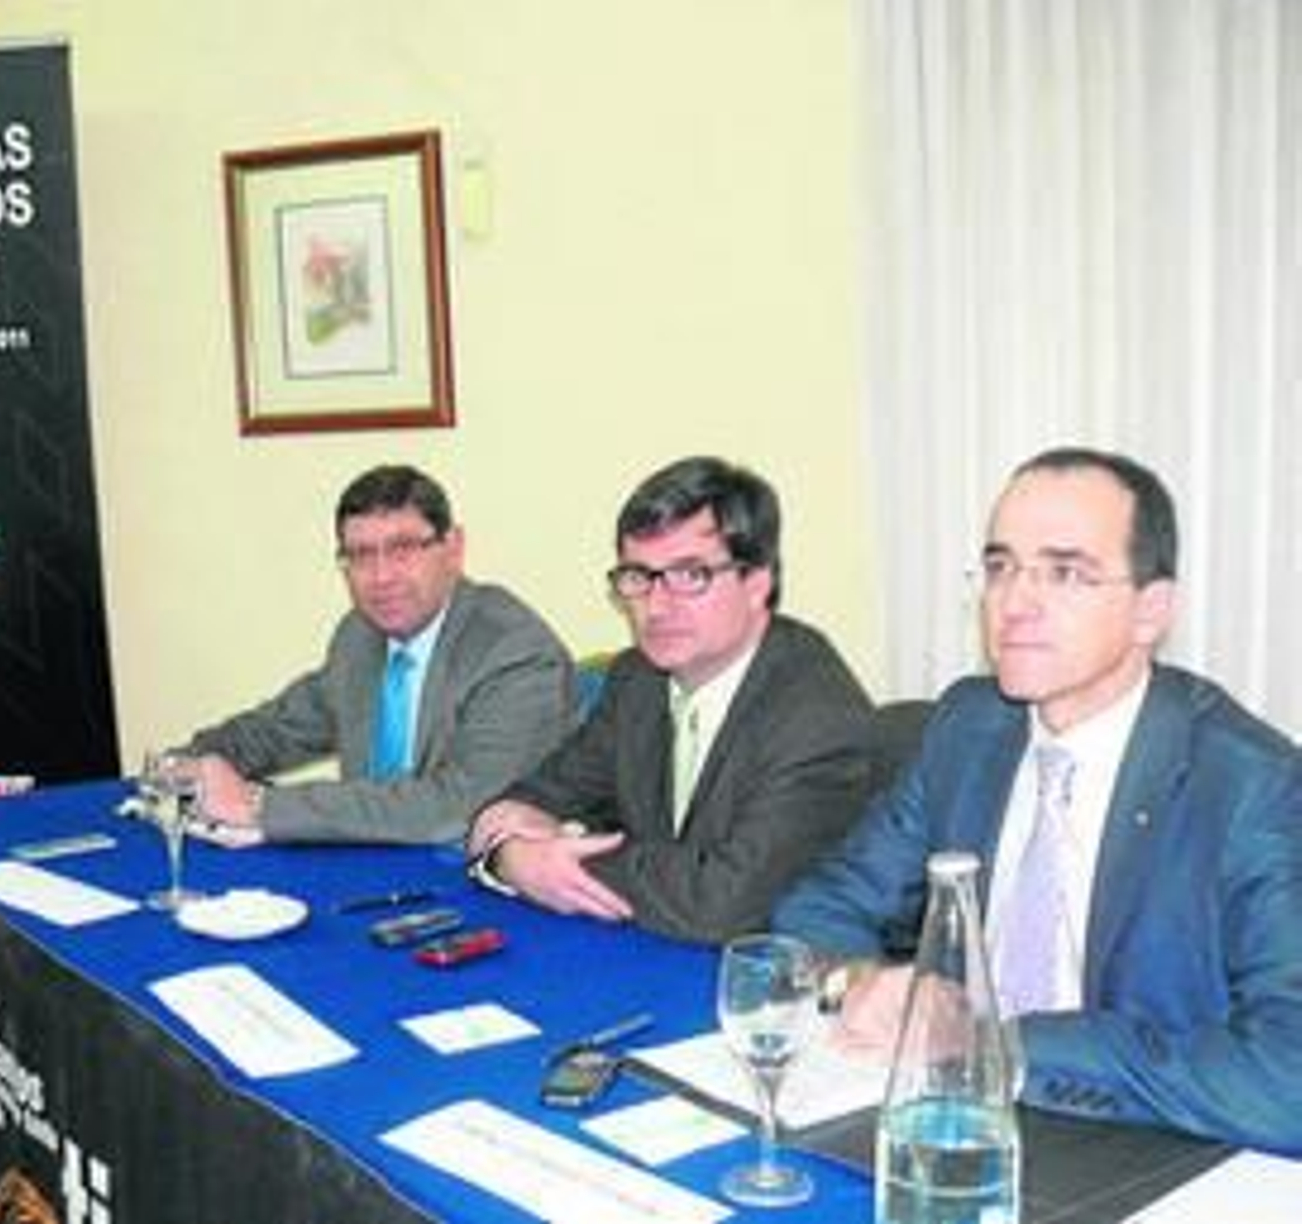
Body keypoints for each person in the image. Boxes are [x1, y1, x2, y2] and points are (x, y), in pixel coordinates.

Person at [772, 446, 1302, 1153]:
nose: (1015, 603)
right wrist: (862, 982)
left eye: (1065, 572)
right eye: (1000, 567)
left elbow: (1290, 1077)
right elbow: (821, 905)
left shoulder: (1249, 785)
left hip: (1144, 1147)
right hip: (950, 1120)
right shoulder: (968, 726)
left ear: (1150, 611)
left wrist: (1007, 1046)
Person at [466, 456, 876, 944]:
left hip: (769, 973)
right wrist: (509, 856)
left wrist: (550, 861)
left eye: (690, 575)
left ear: (757, 584)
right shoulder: (636, 679)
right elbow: (535, 798)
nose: (656, 606)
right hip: (657, 948)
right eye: (638, 576)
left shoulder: (817, 716)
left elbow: (720, 903)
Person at [186, 464, 576, 845]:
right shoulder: (361, 635)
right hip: (372, 865)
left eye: (403, 549)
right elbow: (279, 729)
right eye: (360, 554)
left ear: (453, 548)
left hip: (471, 871)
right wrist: (189, 764)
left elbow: (452, 809)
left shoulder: (515, 652)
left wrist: (259, 806)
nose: (381, 577)